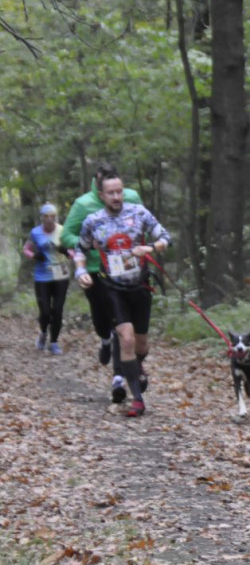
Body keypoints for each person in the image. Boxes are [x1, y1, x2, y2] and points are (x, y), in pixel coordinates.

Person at [73, 171, 171, 418]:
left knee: (140, 343)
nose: (116, 196)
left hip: (139, 286)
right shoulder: (93, 221)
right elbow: (79, 249)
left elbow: (165, 238)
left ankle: (137, 365)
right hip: (112, 287)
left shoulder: (138, 213)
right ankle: (137, 399)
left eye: (119, 191)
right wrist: (81, 271)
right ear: (101, 194)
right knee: (125, 339)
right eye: (111, 193)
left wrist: (149, 247)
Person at [62, 162, 144, 401]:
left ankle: (119, 377)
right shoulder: (84, 204)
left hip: (126, 270)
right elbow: (66, 235)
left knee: (123, 324)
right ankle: (104, 339)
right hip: (96, 270)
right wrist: (89, 241)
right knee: (102, 320)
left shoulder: (131, 197)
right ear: (98, 187)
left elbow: (144, 226)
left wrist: (145, 245)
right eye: (104, 185)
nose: (115, 195)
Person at [23, 203, 71, 355]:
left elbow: (74, 252)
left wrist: (67, 252)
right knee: (44, 311)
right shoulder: (35, 232)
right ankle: (43, 333)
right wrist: (34, 255)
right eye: (46, 216)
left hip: (61, 275)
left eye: (52, 216)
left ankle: (54, 342)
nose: (49, 219)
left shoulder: (63, 231)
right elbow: (26, 249)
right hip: (42, 276)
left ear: (55, 217)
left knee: (57, 310)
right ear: (42, 218)